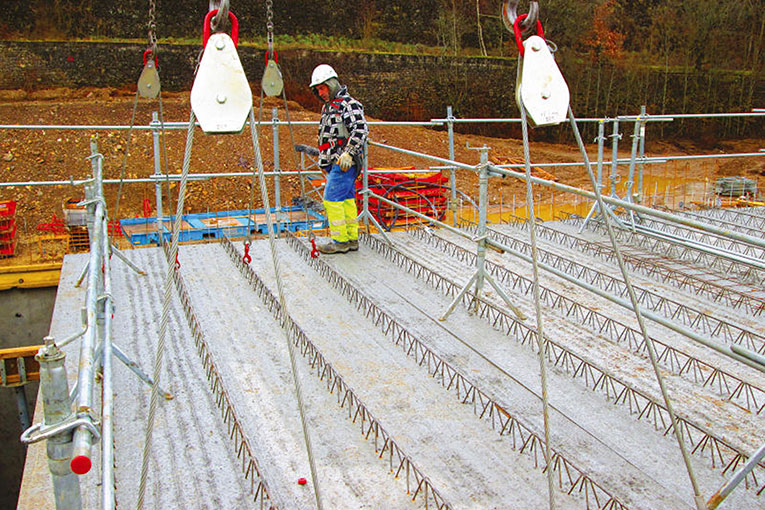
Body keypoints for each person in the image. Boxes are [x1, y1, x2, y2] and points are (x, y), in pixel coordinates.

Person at [309, 64, 369, 254]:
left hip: (343, 162)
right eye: (318, 90)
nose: (321, 93)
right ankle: (351, 239)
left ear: (332, 84)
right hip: (335, 162)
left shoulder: (348, 104)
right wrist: (323, 162)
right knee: (346, 200)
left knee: (332, 200)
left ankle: (340, 241)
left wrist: (349, 153)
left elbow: (361, 129)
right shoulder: (328, 107)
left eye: (323, 88)